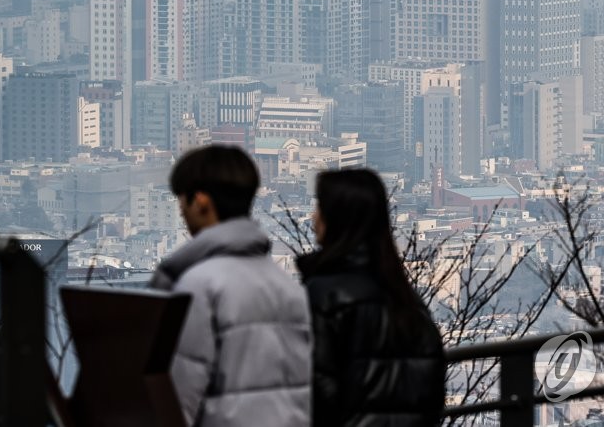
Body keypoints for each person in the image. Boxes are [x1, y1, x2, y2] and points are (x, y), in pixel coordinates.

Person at [150, 145, 311, 426]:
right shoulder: (289, 287)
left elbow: (178, 397)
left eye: (182, 201)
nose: (181, 212)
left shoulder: (199, 286)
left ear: (200, 201)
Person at [297, 169, 445, 426]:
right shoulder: (405, 296)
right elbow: (432, 387)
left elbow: (315, 388)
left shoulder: (324, 293)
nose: (313, 217)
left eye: (320, 206)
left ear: (338, 218)